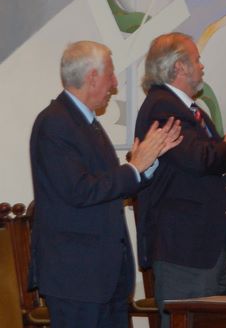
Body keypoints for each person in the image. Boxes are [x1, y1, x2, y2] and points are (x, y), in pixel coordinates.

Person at [29, 41, 182, 328]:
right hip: (77, 280)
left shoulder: (86, 123)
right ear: (92, 77)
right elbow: (80, 190)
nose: (114, 84)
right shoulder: (55, 123)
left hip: (104, 276)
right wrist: (134, 167)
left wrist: (147, 164)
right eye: (111, 74)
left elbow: (108, 186)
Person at [134, 32, 226, 327]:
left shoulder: (190, 111)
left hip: (206, 248)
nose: (202, 65)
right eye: (197, 59)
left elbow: (213, 159)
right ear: (179, 66)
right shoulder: (162, 107)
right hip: (185, 253)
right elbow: (200, 160)